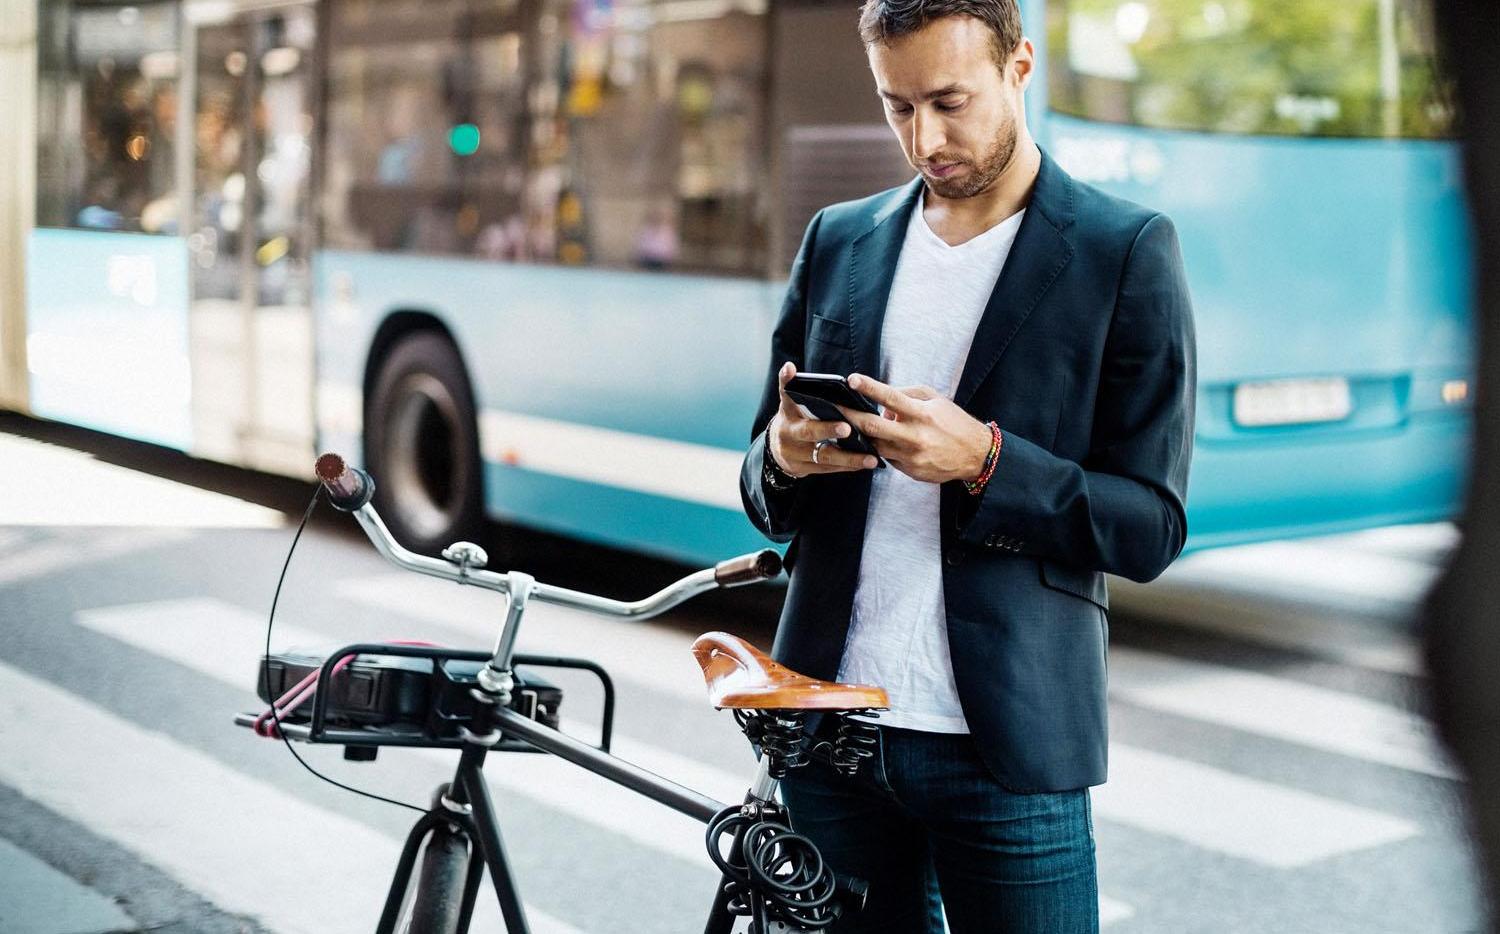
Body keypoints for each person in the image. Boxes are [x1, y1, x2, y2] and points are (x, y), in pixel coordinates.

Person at [736, 1, 1196, 931]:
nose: (925, 137)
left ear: (1019, 66)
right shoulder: (840, 237)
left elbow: (1150, 525)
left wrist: (985, 461)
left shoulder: (1124, 252)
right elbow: (760, 487)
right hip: (829, 735)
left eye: (950, 101)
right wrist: (782, 457)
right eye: (897, 106)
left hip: (1004, 748)